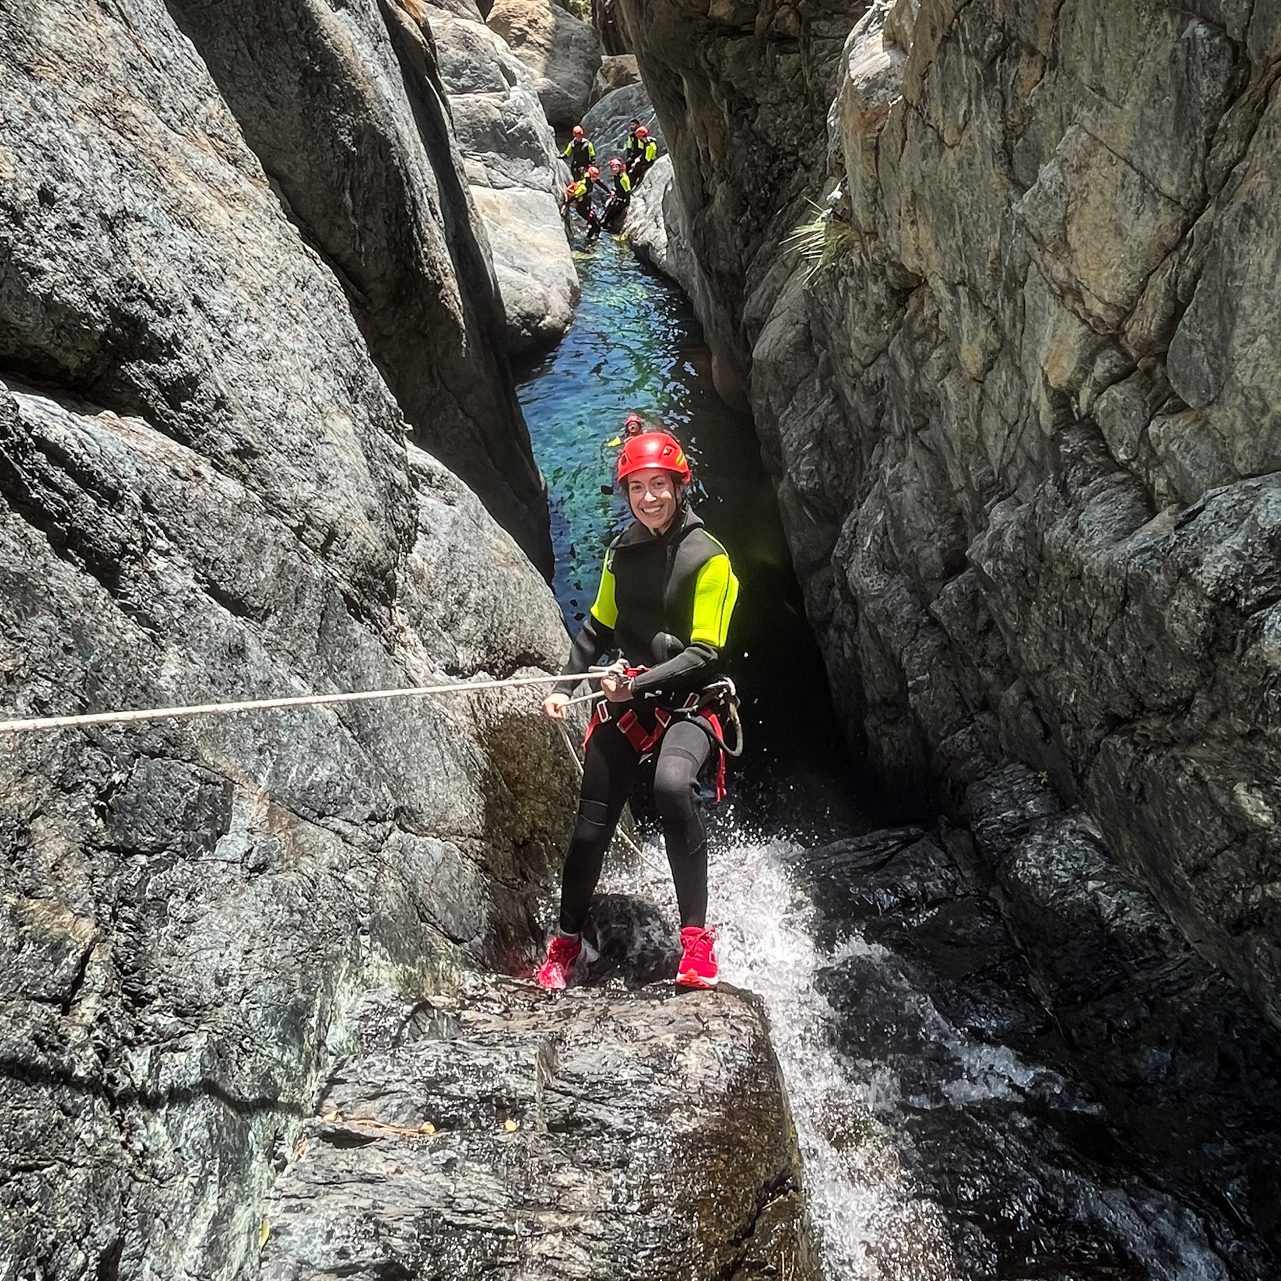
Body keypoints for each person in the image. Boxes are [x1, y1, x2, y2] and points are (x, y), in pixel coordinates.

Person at [538, 432, 741, 992]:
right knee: (591, 824)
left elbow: (705, 653)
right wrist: (564, 684)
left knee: (673, 786)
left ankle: (696, 941)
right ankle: (566, 942)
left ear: (679, 486)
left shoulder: (710, 558)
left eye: (659, 485)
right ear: (626, 493)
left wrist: (637, 685)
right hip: (635, 699)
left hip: (691, 700)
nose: (648, 498)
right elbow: (597, 627)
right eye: (637, 488)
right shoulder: (620, 553)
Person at [564, 165, 602, 239]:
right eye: (593, 177)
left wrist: (609, 192)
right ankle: (589, 240)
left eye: (596, 177)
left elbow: (600, 184)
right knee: (596, 226)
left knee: (597, 225)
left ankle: (592, 238)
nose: (595, 179)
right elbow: (575, 196)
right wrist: (566, 204)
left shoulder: (591, 180)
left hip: (588, 207)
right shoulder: (584, 187)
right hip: (582, 209)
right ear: (590, 176)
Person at [601, 157, 632, 232]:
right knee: (608, 208)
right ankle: (604, 224)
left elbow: (627, 191)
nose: (614, 169)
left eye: (616, 167)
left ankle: (606, 226)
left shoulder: (623, 178)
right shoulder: (617, 176)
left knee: (612, 211)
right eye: (613, 167)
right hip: (618, 197)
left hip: (622, 200)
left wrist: (626, 202)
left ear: (619, 167)